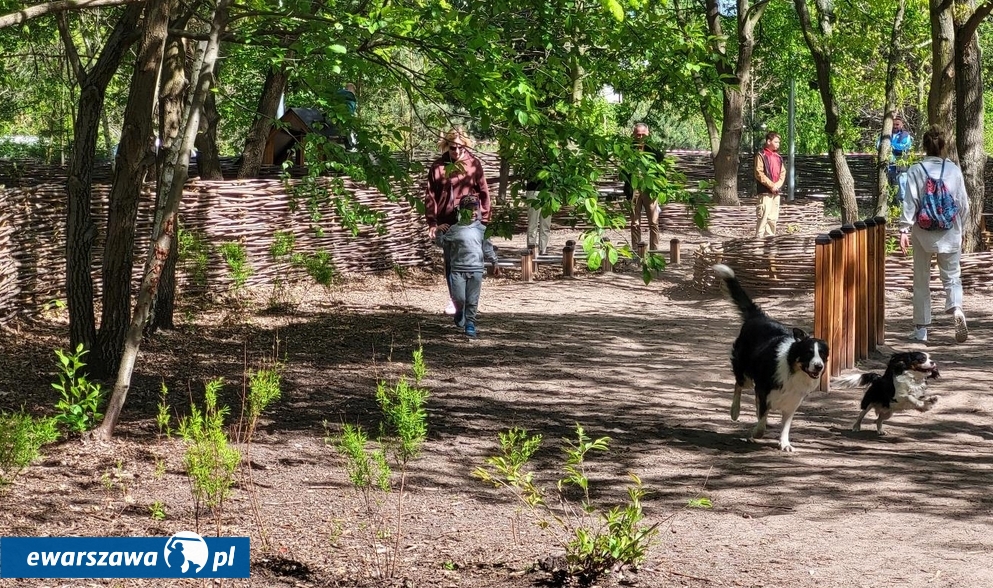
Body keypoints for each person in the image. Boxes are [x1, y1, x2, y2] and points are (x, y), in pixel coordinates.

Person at [899, 126, 969, 343]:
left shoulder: (916, 169)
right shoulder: (953, 170)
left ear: (924, 146)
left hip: (922, 233)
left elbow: (910, 202)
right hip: (950, 232)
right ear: (943, 146)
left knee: (921, 280)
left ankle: (921, 330)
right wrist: (962, 229)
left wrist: (903, 229)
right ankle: (956, 309)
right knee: (952, 277)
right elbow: (963, 204)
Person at [424, 127, 491, 314]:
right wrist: (432, 223)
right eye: (453, 148)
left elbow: (484, 192)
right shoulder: (438, 166)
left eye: (461, 148)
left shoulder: (473, 164)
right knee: (450, 262)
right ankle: (455, 300)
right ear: (447, 145)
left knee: (471, 260)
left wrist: (483, 220)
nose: (457, 152)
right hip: (447, 222)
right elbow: (430, 195)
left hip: (470, 222)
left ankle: (469, 299)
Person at [434, 195, 499, 338]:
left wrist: (494, 262)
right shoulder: (454, 229)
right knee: (459, 298)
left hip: (476, 269)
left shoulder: (482, 229)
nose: (473, 212)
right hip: (457, 269)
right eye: (469, 209)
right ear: (461, 211)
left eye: (476, 209)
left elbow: (488, 248)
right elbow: (442, 243)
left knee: (472, 299)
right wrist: (438, 231)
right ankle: (459, 310)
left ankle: (470, 323)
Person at [621, 123, 663, 252]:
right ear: (633, 134)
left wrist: (648, 145)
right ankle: (636, 251)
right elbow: (623, 170)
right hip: (634, 189)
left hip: (650, 189)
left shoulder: (652, 148)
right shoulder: (628, 149)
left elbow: (660, 158)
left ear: (648, 134)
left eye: (643, 134)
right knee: (634, 224)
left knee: (653, 222)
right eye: (638, 134)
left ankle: (654, 251)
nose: (640, 137)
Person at [754, 131, 785, 238]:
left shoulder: (778, 157)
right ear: (768, 141)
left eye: (778, 142)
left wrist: (777, 185)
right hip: (765, 193)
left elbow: (782, 173)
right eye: (776, 142)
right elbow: (759, 173)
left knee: (772, 219)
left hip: (776, 193)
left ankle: (769, 242)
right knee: (763, 217)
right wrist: (771, 185)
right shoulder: (761, 155)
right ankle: (759, 243)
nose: (778, 144)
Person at [881, 115, 914, 202]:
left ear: (902, 125)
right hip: (888, 167)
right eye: (893, 124)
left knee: (902, 187)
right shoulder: (885, 134)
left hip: (901, 167)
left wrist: (890, 145)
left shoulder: (906, 135)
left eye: (897, 124)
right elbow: (878, 145)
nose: (895, 126)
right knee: (887, 188)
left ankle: (901, 207)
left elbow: (904, 147)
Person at [524, 175, 552, 256]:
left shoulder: (552, 163)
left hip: (548, 192)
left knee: (546, 225)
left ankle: (543, 250)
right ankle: (531, 250)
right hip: (533, 190)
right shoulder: (531, 163)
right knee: (533, 223)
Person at [336, 83, 358, 150]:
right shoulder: (351, 96)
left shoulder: (338, 93)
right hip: (347, 116)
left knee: (341, 130)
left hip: (338, 115)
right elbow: (352, 109)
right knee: (349, 130)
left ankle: (345, 142)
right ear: (351, 89)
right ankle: (350, 145)